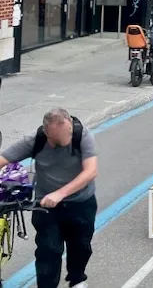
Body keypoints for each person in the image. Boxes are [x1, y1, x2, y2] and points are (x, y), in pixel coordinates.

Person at [0, 108, 98, 288]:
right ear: (46, 133)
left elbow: (91, 171)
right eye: (57, 139)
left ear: (70, 126)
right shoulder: (35, 140)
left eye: (66, 135)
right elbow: (3, 159)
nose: (64, 142)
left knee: (81, 247)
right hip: (46, 207)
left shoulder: (82, 136)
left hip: (81, 203)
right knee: (48, 251)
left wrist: (61, 193)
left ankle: (76, 279)